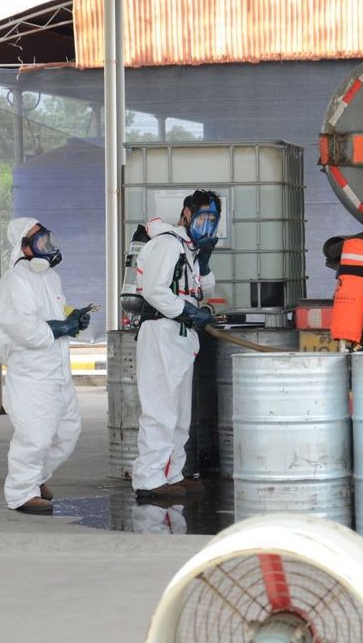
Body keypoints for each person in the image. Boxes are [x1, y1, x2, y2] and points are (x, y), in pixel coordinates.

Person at [0, 218, 91, 515]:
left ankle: (35, 478)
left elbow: (54, 314)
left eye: (47, 239)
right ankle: (21, 493)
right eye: (39, 240)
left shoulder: (50, 278)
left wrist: (74, 319)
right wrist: (63, 326)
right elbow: (28, 332)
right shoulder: (13, 283)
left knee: (68, 433)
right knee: (35, 436)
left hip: (58, 369)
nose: (47, 245)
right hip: (31, 372)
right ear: (24, 247)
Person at [132, 189, 220, 500]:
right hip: (161, 331)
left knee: (180, 413)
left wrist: (204, 263)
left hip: (180, 336)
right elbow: (155, 290)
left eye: (213, 220)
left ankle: (172, 474)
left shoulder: (188, 250)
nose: (207, 225)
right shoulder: (167, 244)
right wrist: (189, 311)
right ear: (186, 213)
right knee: (160, 409)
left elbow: (202, 290)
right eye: (202, 217)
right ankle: (149, 479)